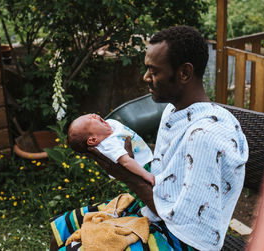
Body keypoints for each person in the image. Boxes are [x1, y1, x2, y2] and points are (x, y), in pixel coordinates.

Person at [50, 25, 248, 251]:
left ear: (184, 73)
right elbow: (166, 179)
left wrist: (127, 176)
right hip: (155, 208)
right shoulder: (172, 112)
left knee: (73, 248)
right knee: (60, 228)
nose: (145, 78)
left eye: (154, 71)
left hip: (181, 240)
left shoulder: (205, 137)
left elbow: (190, 225)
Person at [67, 113, 155, 185]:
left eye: (90, 115)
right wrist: (146, 175)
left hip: (149, 158)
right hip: (142, 169)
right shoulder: (109, 145)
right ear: (93, 139)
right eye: (90, 119)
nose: (93, 115)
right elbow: (126, 161)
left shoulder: (110, 124)